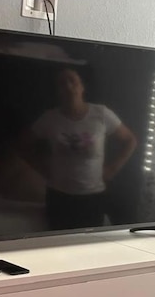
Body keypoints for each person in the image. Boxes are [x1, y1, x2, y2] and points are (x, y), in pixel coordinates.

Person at [24, 66, 137, 230]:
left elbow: (130, 140)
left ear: (82, 86)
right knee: (56, 248)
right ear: (57, 91)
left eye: (72, 81)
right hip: (59, 196)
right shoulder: (49, 119)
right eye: (62, 84)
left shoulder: (101, 114)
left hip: (93, 197)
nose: (68, 86)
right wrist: (42, 169)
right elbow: (22, 145)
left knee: (89, 248)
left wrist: (113, 168)